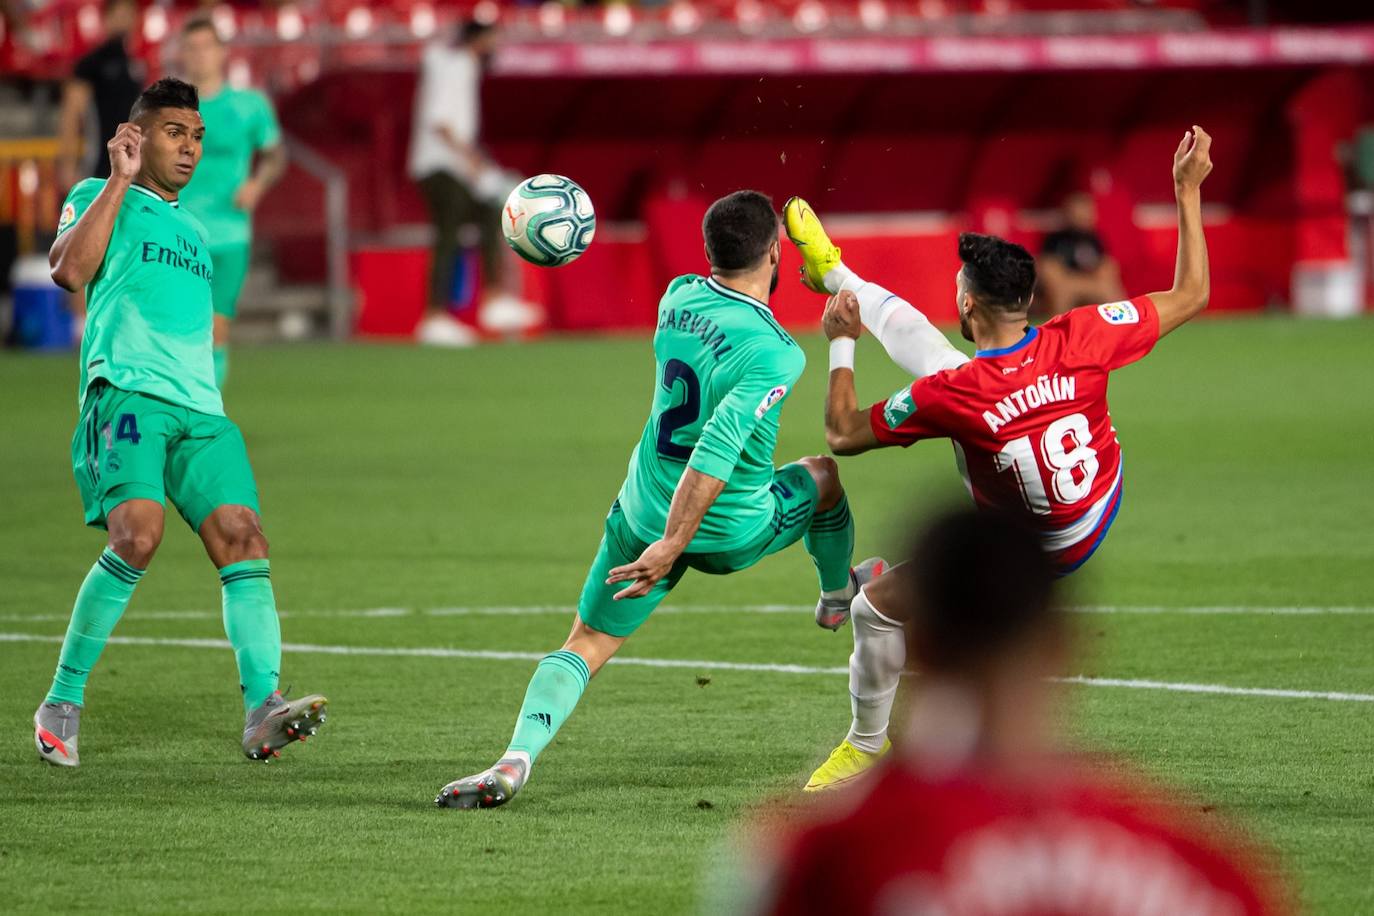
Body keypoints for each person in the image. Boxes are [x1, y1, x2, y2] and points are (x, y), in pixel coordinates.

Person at [783, 127, 1213, 791]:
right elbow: (1191, 295)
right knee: (947, 371)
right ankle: (834, 272)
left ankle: (865, 745)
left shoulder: (956, 395)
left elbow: (840, 433)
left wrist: (841, 342)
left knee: (872, 610)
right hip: (1097, 499)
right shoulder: (1085, 333)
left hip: (1030, 542)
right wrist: (1186, 190)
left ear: (967, 302)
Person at [435, 191, 880, 809]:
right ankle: (836, 598)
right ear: (777, 252)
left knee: (585, 642)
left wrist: (662, 538)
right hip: (725, 531)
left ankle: (514, 760)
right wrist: (676, 545)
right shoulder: (777, 352)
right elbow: (717, 450)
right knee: (823, 474)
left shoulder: (676, 297)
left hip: (640, 514)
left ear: (706, 253)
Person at [747, 509, 1287, 916]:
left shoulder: (832, 861)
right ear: (1066, 647)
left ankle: (864, 741)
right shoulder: (1207, 871)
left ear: (923, 647)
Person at [34, 78, 327, 768]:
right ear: (137, 137)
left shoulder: (196, 231)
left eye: (197, 136)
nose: (191, 148)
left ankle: (263, 709)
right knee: (137, 535)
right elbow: (68, 271)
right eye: (175, 133)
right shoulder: (97, 198)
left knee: (244, 536)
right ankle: (62, 701)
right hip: (129, 397)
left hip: (201, 410)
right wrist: (115, 180)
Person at [408, 18, 536, 346]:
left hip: (452, 164)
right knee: (449, 237)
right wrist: (471, 159)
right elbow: (441, 121)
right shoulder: (458, 66)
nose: (496, 47)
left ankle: (492, 300)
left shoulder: (457, 66)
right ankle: (435, 316)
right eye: (492, 39)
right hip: (441, 165)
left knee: (488, 213)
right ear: (477, 40)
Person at [177, 16, 287, 389]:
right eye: (191, 48)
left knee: (216, 326)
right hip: (179, 232)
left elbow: (275, 155)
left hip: (229, 233)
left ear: (222, 53)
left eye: (206, 46)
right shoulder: (168, 110)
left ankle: (205, 410)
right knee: (179, 328)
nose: (199, 55)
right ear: (182, 54)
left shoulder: (249, 105)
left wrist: (257, 184)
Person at [56, 0, 142, 191]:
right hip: (98, 163)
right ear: (106, 19)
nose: (123, 22)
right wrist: (68, 164)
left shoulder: (138, 65)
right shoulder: (90, 65)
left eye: (128, 16)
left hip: (132, 165)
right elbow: (71, 115)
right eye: (118, 16)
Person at [1037, 190, 1126, 316]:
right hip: (1067, 283)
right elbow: (1049, 269)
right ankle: (1060, 331)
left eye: (1087, 211)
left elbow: (1107, 267)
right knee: (1062, 291)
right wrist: (1076, 283)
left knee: (1110, 289)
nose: (1085, 215)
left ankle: (1119, 328)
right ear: (1068, 212)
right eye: (1079, 211)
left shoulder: (1095, 239)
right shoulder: (1055, 239)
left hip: (1090, 282)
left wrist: (1094, 280)